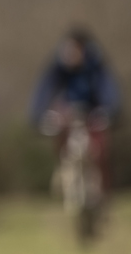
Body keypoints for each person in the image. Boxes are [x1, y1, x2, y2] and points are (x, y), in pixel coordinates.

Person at [28, 27, 123, 191]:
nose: (71, 54)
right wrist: (37, 114)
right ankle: (63, 168)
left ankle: (103, 187)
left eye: (75, 50)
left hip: (92, 111)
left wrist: (112, 110)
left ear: (84, 50)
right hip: (68, 111)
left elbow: (108, 89)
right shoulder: (58, 67)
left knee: (99, 148)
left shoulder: (96, 67)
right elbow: (44, 90)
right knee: (60, 130)